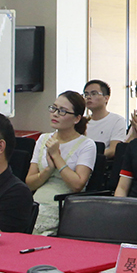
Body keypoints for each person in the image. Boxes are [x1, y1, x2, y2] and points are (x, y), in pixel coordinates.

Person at [25, 90, 98, 234]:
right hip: (36, 202)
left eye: (62, 111)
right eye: (54, 108)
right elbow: (29, 183)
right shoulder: (43, 139)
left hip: (64, 206)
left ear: (77, 118)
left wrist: (56, 157)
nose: (55, 114)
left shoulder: (86, 145)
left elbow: (77, 185)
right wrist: (48, 170)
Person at [82, 79, 130, 156]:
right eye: (86, 94)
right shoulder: (82, 121)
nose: (88, 97)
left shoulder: (117, 120)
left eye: (94, 94)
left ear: (106, 98)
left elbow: (113, 150)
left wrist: (88, 156)